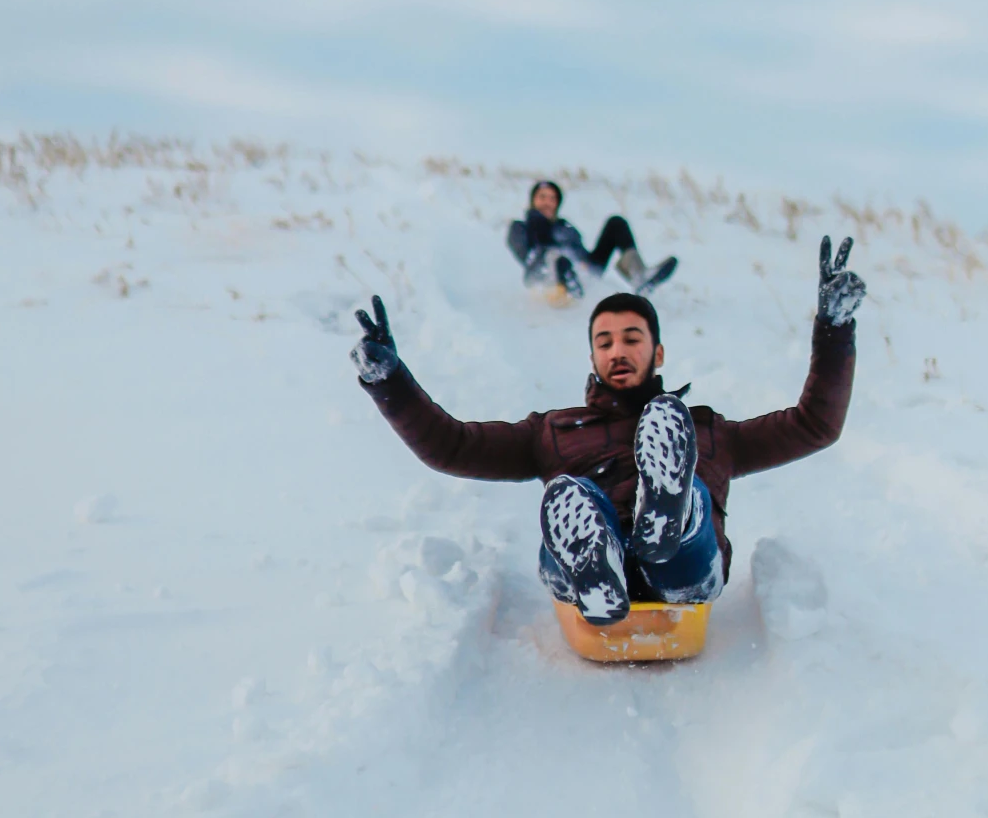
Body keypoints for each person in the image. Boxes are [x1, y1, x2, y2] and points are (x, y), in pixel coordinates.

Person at [350, 236, 866, 623]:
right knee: (570, 497)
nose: (618, 350)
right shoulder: (553, 431)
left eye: (632, 338)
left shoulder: (708, 431)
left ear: (657, 351)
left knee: (671, 429)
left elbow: (814, 425)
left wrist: (835, 330)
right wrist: (390, 382)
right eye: (605, 341)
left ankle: (670, 522)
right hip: (583, 576)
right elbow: (451, 447)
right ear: (594, 356)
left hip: (687, 572)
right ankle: (595, 562)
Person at [506, 179, 677, 301]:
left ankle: (638, 275)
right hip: (546, 272)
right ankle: (566, 281)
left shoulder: (565, 227)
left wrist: (583, 265)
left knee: (616, 223)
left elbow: (580, 252)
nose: (548, 202)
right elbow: (526, 254)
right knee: (556, 258)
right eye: (542, 197)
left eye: (552, 199)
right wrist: (537, 222)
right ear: (533, 201)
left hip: (583, 269)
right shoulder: (521, 227)